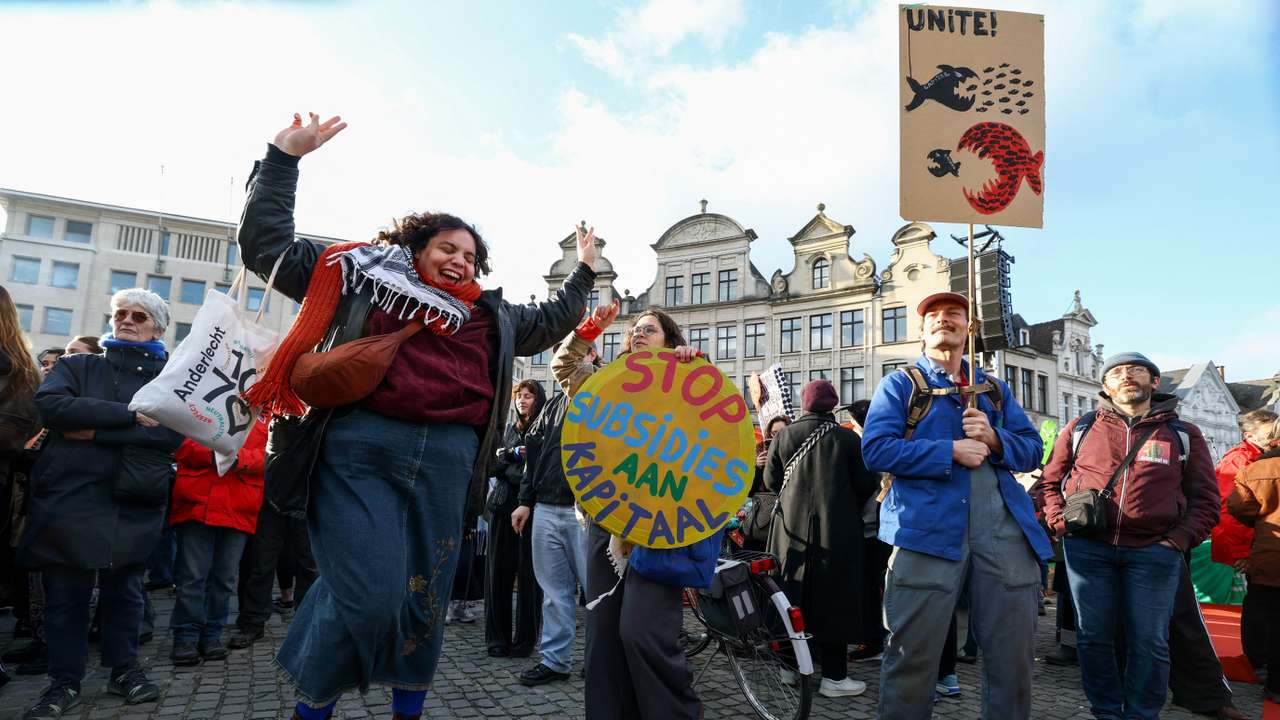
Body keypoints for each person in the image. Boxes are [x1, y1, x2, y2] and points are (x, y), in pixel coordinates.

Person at [236, 112, 596, 720]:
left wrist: (585, 269)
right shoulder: (361, 277)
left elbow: (555, 319)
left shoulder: (492, 317)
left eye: (470, 256)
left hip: (451, 463)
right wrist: (282, 159)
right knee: (370, 594)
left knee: (423, 598)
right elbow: (265, 247)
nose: (460, 262)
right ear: (417, 249)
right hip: (360, 451)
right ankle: (312, 704)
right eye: (446, 248)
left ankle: (407, 711)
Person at [862, 291, 1050, 720]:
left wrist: (994, 437)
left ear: (970, 328)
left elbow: (1033, 451)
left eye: (954, 314)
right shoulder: (900, 385)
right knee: (911, 660)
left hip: (1004, 536)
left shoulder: (996, 390)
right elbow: (875, 451)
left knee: (1013, 661)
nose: (943, 320)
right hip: (926, 533)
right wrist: (949, 450)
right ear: (922, 330)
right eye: (934, 316)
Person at [18, 288, 183, 720]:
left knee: (126, 592)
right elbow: (52, 407)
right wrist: (129, 416)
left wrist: (96, 431)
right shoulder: (78, 364)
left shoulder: (170, 376)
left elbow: (171, 434)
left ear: (158, 328)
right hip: (71, 495)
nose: (126, 320)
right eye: (120, 313)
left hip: (134, 496)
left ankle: (124, 670)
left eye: (139, 316)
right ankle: (63, 680)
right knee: (66, 596)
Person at [1042, 352, 1219, 720]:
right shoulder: (1081, 427)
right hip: (1089, 550)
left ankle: (1142, 714)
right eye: (1117, 372)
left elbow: (1206, 498)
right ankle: (1106, 711)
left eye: (1136, 370)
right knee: (1093, 639)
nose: (1126, 376)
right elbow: (1049, 482)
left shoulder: (1182, 434)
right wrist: (1060, 521)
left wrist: (1178, 540)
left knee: (1150, 642)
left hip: (1154, 551)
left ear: (1154, 382)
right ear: (1106, 386)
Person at [554, 302, 708, 720]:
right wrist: (590, 326)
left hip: (661, 527)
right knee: (603, 636)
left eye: (650, 329)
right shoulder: (604, 382)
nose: (638, 333)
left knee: (643, 632)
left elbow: (715, 430)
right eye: (634, 329)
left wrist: (695, 369)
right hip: (607, 523)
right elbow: (563, 365)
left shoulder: (685, 378)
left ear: (671, 342)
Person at [765, 379, 878, 697]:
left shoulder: (784, 435)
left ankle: (789, 668)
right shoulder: (846, 439)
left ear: (804, 403)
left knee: (791, 597)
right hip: (837, 532)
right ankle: (835, 677)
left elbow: (771, 479)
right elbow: (866, 484)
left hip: (791, 534)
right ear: (833, 404)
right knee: (835, 599)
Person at [512, 352, 593, 685]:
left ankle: (601, 659)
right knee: (554, 593)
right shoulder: (552, 405)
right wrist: (525, 501)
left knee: (597, 593)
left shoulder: (606, 400)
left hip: (587, 512)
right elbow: (534, 456)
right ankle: (555, 661)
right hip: (546, 507)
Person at [167, 415, 268, 666]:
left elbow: (266, 457)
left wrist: (234, 458)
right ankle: (187, 636)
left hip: (237, 504)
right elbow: (181, 445)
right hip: (200, 500)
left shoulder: (263, 412)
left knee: (224, 579)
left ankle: (211, 634)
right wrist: (224, 456)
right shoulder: (201, 399)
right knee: (193, 576)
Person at [484, 380, 545, 658]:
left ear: (538, 399)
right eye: (519, 396)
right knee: (498, 573)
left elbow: (536, 469)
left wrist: (511, 463)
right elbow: (492, 465)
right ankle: (497, 639)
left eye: (529, 396)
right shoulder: (508, 430)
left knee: (531, 577)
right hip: (502, 506)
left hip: (531, 508)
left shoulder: (545, 428)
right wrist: (510, 455)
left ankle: (525, 641)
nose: (522, 400)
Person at [1214, 409, 1278, 670]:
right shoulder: (1238, 459)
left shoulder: (1260, 457)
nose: (1274, 432)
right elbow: (1229, 511)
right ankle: (1258, 661)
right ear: (1249, 433)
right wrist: (1242, 552)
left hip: (1261, 546)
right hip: (1253, 546)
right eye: (1269, 428)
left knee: (1261, 602)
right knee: (1259, 604)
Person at [1227, 427, 1280, 705]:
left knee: (1269, 616)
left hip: (1270, 554)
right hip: (1268, 553)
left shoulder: (1257, 468)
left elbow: (1237, 506)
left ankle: (1273, 680)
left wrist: (1262, 520)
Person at [844, 398, 893, 664]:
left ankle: (874, 641)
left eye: (853, 423)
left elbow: (865, 485)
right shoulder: (887, 438)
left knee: (872, 587)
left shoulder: (867, 446)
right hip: (885, 524)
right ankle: (878, 638)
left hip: (873, 527)